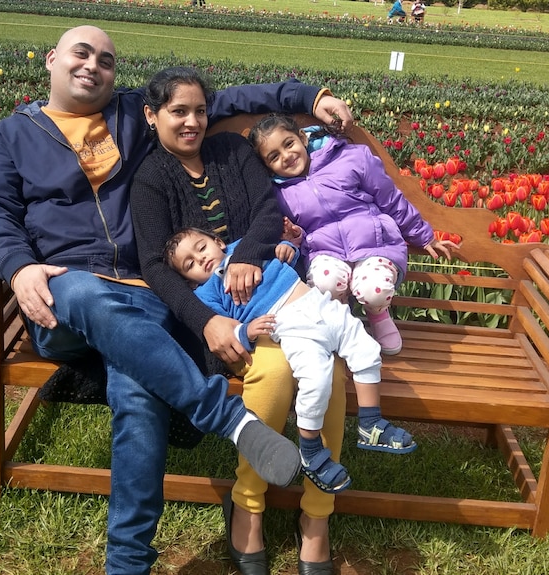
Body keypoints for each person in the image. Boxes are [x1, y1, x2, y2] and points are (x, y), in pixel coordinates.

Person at [0, 26, 353, 575]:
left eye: (105, 59)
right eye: (81, 54)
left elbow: (232, 100)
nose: (92, 66)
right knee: (82, 289)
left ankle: (127, 565)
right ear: (52, 59)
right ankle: (222, 415)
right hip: (65, 297)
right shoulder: (8, 137)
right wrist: (20, 265)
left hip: (147, 299)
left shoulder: (134, 114)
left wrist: (309, 98)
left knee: (138, 388)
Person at [130, 66, 351, 575]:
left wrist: (249, 255)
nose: (191, 122)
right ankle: (248, 505)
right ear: (152, 114)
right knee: (276, 372)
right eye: (177, 112)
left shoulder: (231, 151)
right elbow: (156, 268)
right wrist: (208, 322)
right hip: (215, 320)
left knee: (331, 373)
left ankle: (317, 516)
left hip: (281, 295)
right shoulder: (151, 180)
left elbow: (267, 214)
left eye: (199, 111)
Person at [165, 227, 417, 492]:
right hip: (290, 325)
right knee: (317, 381)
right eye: (189, 264)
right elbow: (223, 329)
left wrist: (287, 248)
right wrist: (246, 331)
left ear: (218, 242)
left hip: (318, 302)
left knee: (366, 348)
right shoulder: (207, 293)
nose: (200, 258)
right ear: (189, 280)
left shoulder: (242, 248)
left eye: (201, 247)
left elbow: (279, 251)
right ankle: (310, 451)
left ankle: (370, 423)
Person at [247, 114, 460, 355]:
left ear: (303, 138)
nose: (286, 156)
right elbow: (299, 233)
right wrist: (294, 235)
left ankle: (378, 316)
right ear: (266, 166)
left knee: (374, 289)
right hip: (326, 251)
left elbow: (389, 199)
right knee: (324, 283)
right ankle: (342, 324)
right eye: (274, 157)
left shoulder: (351, 157)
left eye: (288, 144)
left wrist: (423, 235)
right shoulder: (280, 193)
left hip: (375, 243)